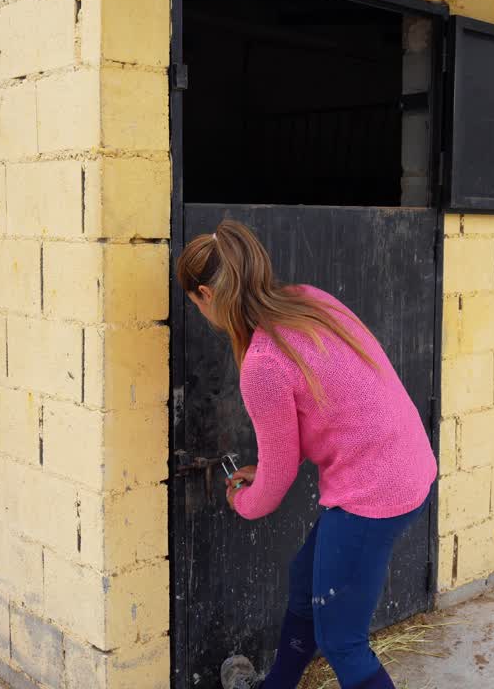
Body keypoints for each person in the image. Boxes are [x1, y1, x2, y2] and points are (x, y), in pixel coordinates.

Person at [177, 220, 437, 689]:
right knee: (305, 579)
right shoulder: (309, 300)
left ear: (204, 295)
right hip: (409, 465)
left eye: (194, 304)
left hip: (374, 492)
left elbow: (271, 493)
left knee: (342, 642)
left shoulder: (262, 361)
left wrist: (242, 498)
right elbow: (318, 419)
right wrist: (268, 470)